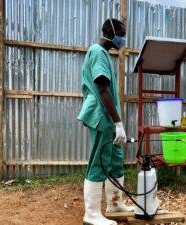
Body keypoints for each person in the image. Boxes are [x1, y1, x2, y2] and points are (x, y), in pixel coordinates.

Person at [77, 18, 133, 225]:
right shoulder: (98, 53)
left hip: (109, 118)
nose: (123, 39)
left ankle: (115, 204)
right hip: (102, 117)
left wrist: (118, 123)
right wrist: (118, 123)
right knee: (99, 161)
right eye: (122, 34)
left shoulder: (104, 55)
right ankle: (91, 215)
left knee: (115, 161)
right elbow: (102, 89)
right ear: (111, 32)